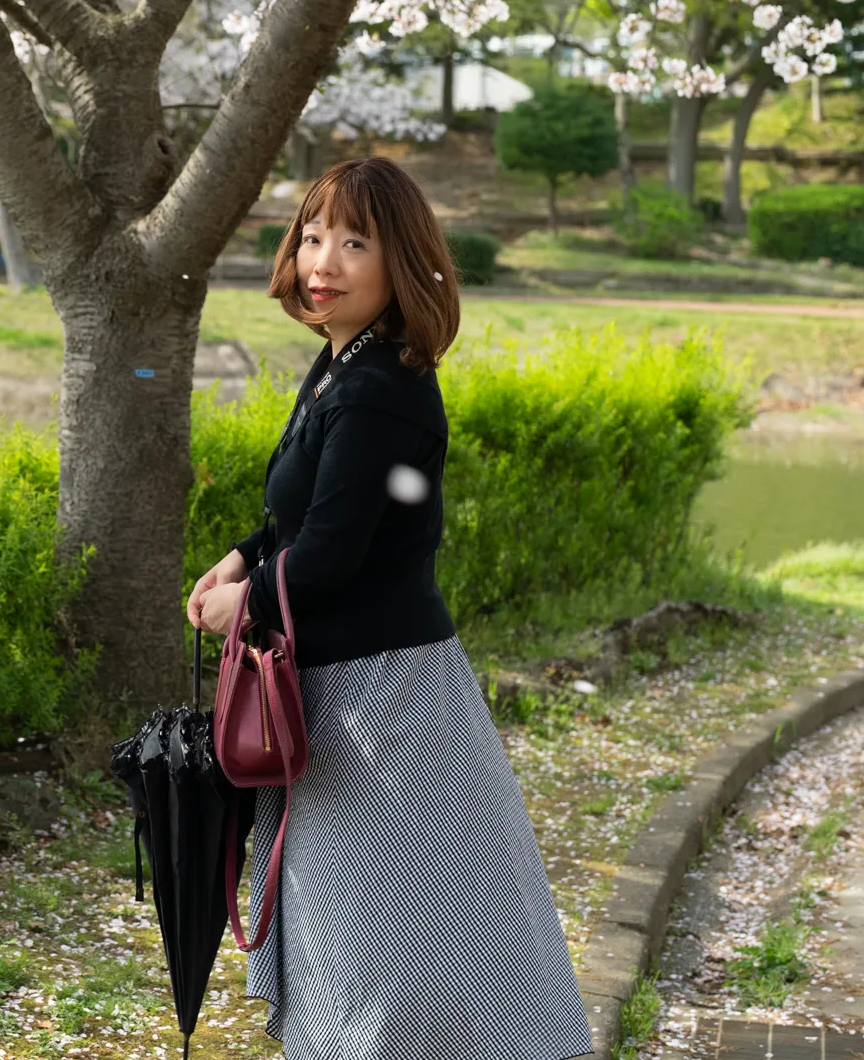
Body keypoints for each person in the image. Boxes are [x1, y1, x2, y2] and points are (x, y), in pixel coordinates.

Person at [185, 158, 591, 1060]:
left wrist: (248, 600)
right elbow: (306, 516)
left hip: (385, 705)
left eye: (355, 242)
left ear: (398, 259)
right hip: (353, 691)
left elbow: (333, 552)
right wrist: (244, 556)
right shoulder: (342, 366)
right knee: (372, 922)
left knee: (392, 932)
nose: (324, 259)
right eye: (316, 234)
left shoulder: (380, 385)